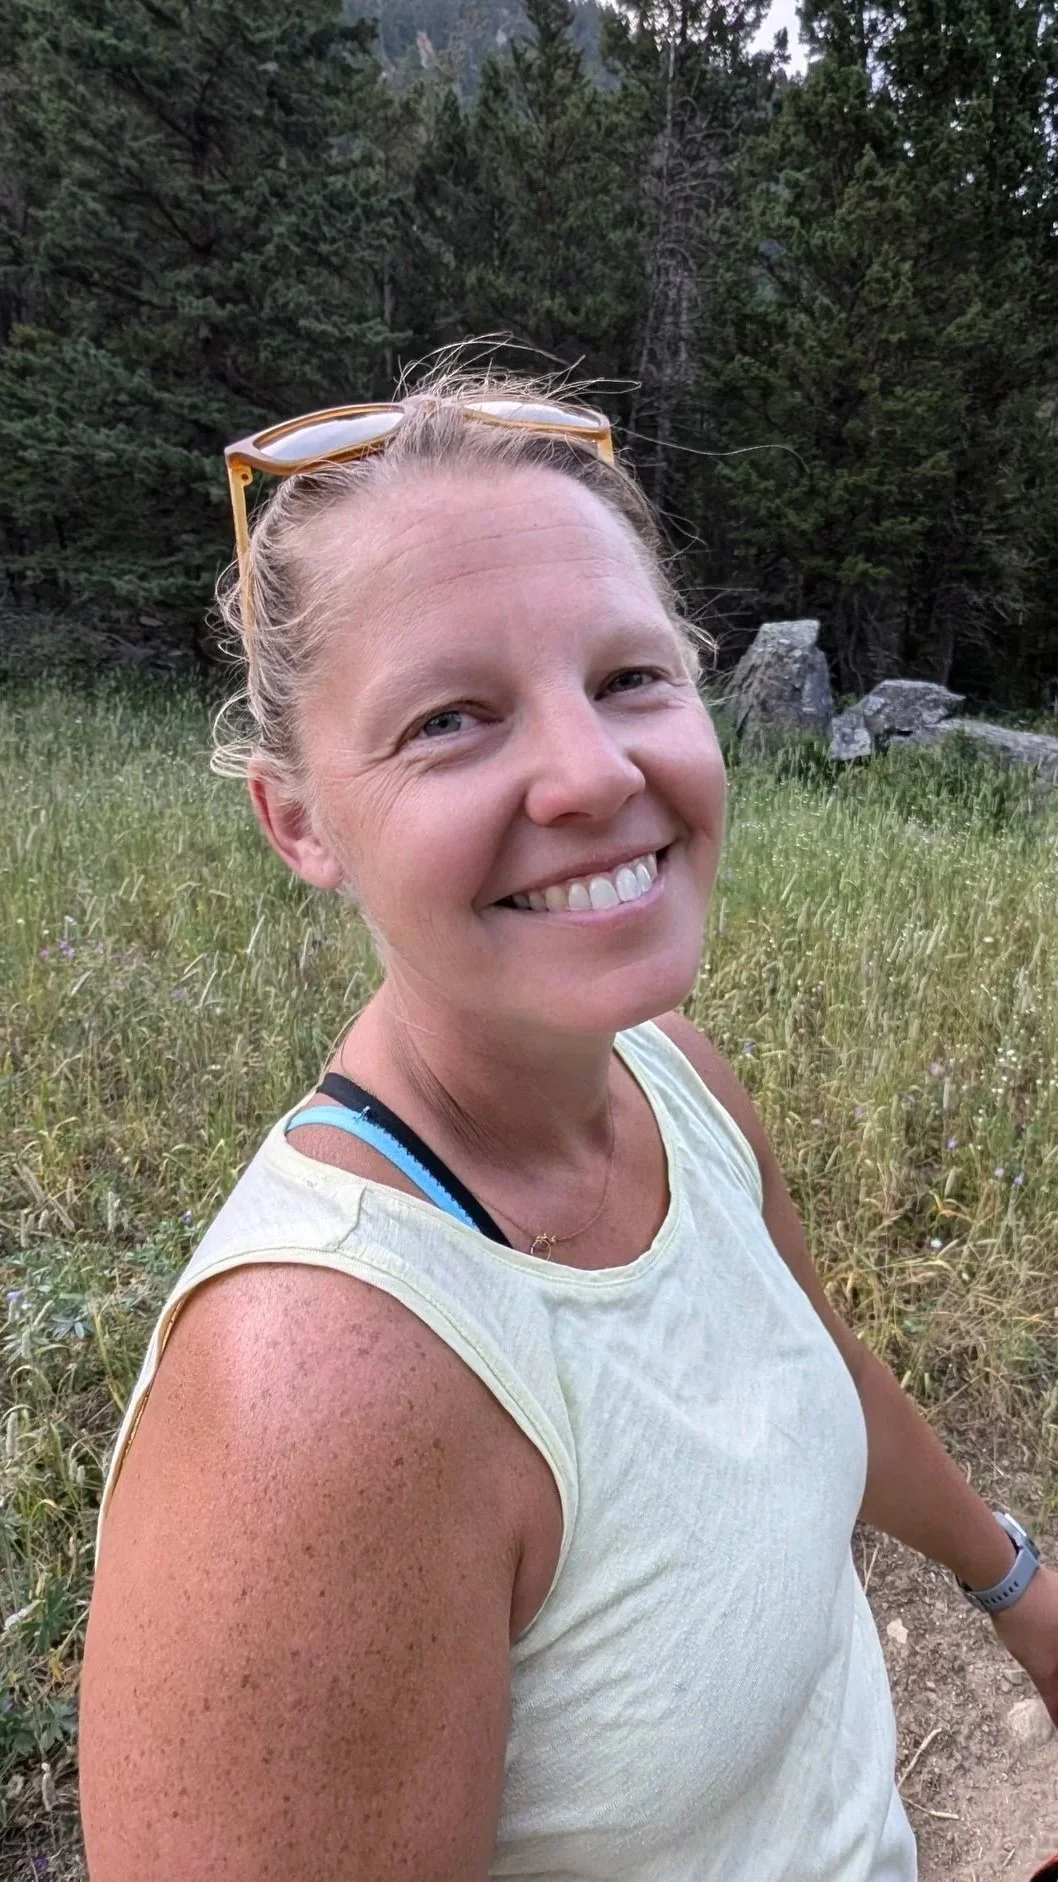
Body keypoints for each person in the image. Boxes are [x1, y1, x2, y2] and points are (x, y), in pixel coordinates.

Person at [79, 368, 1058, 1882]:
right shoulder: (321, 1395)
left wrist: (1015, 1585)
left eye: (627, 678)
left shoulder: (669, 1075)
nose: (596, 773)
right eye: (450, 718)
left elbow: (803, 1365)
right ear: (297, 819)